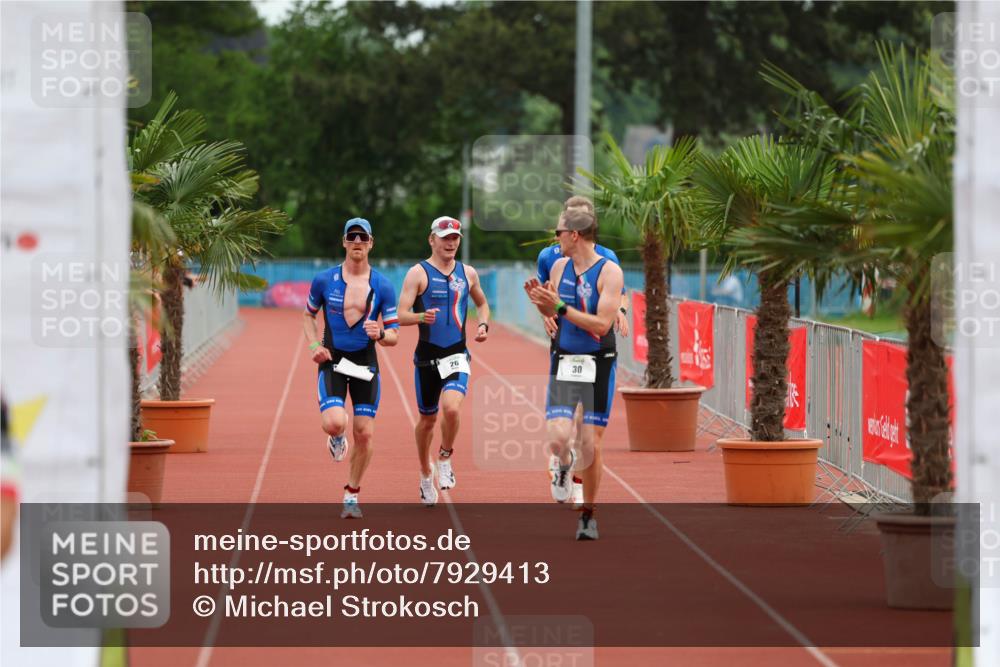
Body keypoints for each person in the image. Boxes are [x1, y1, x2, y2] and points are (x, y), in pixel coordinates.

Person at [525, 208, 624, 540]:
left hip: (599, 361)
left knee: (590, 443)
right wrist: (540, 302)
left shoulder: (610, 272)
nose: (555, 238)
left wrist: (561, 307)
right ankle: (563, 465)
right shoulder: (557, 266)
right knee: (557, 438)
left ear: (575, 235)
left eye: (558, 232)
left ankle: (588, 514)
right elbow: (550, 311)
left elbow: (601, 324)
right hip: (565, 358)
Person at [302, 218, 399, 519]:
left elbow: (394, 335)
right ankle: (336, 438)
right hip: (332, 360)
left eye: (363, 237)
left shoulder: (383, 286)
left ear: (371, 243)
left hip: (364, 365)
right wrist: (313, 346)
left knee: (365, 434)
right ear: (344, 242)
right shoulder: (324, 280)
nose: (357, 241)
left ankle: (351, 494)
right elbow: (308, 316)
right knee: (334, 422)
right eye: (352, 236)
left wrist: (380, 334)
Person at [397, 216, 490, 506]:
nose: (451, 243)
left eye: (455, 238)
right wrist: (420, 317)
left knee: (451, 408)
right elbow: (399, 315)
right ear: (432, 239)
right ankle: (426, 474)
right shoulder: (418, 273)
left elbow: (482, 304)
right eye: (445, 237)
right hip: (426, 358)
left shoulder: (468, 273)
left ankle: (446, 456)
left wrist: (484, 324)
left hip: (456, 354)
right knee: (427, 420)